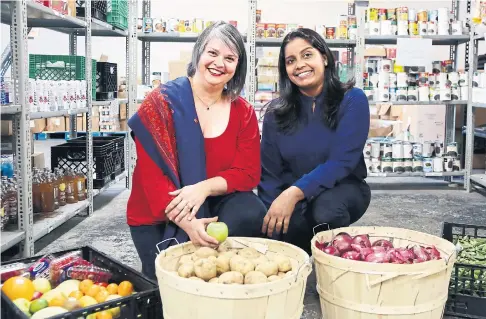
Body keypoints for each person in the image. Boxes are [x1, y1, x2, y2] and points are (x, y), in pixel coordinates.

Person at [127, 21, 266, 280]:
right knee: (163, 286)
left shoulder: (242, 111)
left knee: (250, 212)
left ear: (238, 66)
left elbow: (248, 173)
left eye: (230, 58)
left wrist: (204, 187)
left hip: (213, 203)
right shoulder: (162, 102)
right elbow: (151, 175)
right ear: (198, 54)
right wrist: (188, 223)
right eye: (212, 53)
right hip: (160, 210)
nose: (219, 63)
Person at [258, 28, 371, 255]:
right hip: (295, 195)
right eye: (291, 61)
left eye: (307, 55)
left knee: (326, 212)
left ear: (325, 58)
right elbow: (270, 173)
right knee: (275, 228)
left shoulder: (352, 100)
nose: (299, 64)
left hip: (342, 188)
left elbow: (342, 162)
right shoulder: (275, 113)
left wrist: (294, 193)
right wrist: (272, 214)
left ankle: (333, 258)